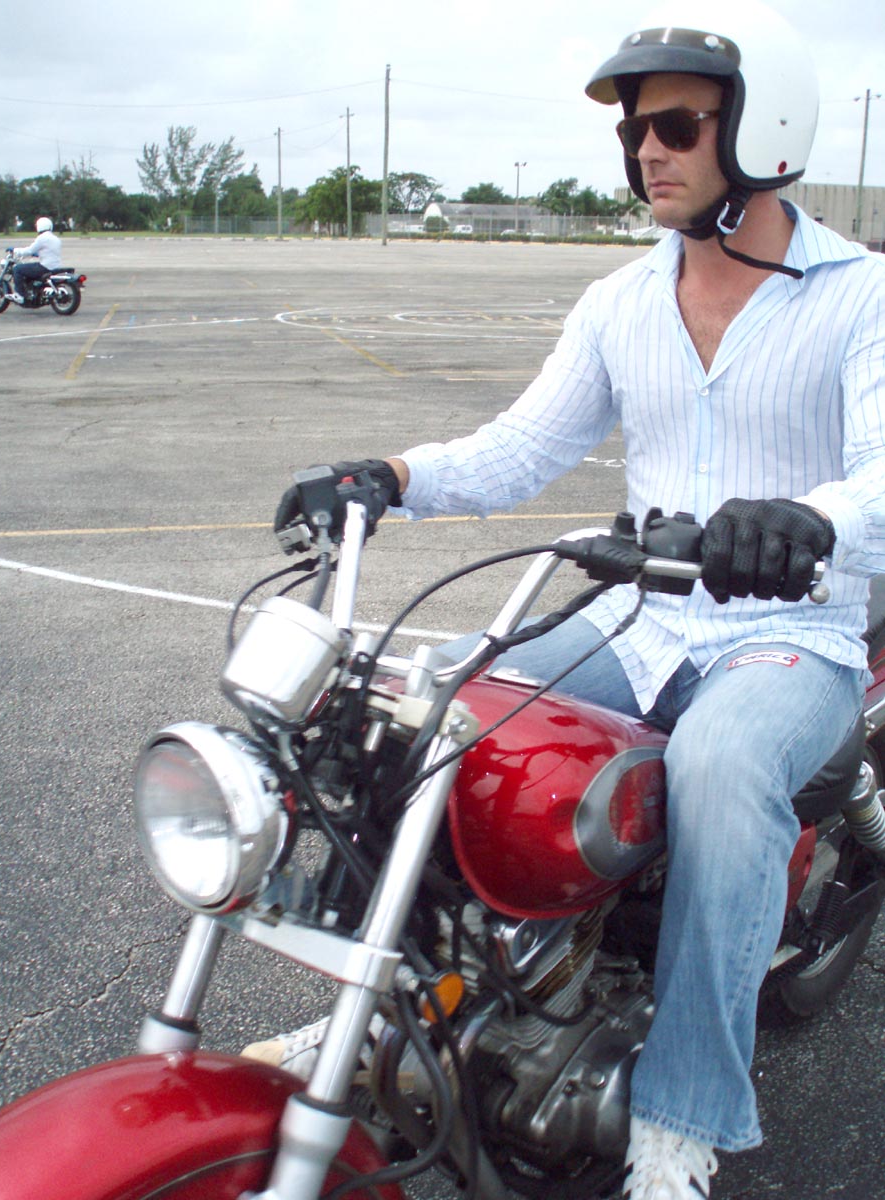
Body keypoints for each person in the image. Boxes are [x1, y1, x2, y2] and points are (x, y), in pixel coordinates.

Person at [265, 3, 885, 1196]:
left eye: (676, 126)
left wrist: (811, 522)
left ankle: (681, 1123)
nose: (647, 150)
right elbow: (519, 448)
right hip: (640, 616)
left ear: (764, 130)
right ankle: (385, 1005)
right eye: (634, 131)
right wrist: (388, 477)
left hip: (789, 633)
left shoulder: (861, 293)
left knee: (719, 768)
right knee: (433, 706)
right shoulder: (619, 302)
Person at [7, 216, 62, 304]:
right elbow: (49, 251)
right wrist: (37, 254)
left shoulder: (42, 238)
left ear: (39, 226)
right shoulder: (56, 238)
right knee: (30, 267)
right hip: (55, 267)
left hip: (45, 267)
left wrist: (15, 250)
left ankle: (20, 295)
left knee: (17, 269)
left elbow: (29, 250)